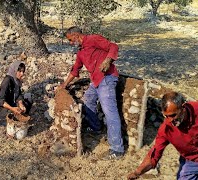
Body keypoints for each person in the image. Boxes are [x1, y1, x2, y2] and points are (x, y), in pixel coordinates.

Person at [58, 26, 124, 160]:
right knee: (88, 100)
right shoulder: (81, 52)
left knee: (109, 111)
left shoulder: (93, 39)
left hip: (107, 77)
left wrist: (108, 60)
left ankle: (117, 149)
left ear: (76, 35)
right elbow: (75, 70)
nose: (71, 43)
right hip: (96, 80)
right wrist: (64, 85)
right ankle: (96, 128)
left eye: (71, 40)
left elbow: (113, 46)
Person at [128, 91, 198, 180]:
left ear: (183, 108)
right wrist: (137, 172)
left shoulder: (196, 108)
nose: (170, 120)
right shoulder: (166, 130)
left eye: (173, 115)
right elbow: (153, 156)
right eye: (166, 116)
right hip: (192, 161)